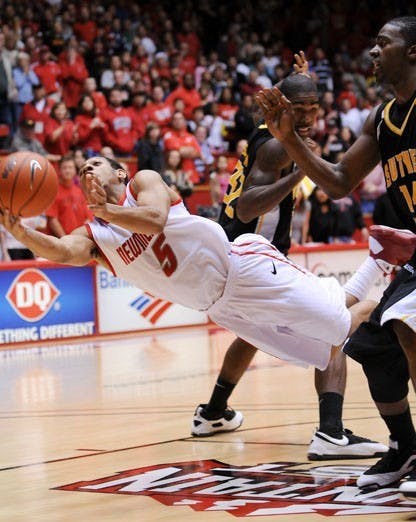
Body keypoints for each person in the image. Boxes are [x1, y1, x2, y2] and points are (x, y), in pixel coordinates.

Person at [2, 156, 412, 407]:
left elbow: (155, 220)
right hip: (221, 308)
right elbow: (60, 250)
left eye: (96, 163)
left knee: (340, 324)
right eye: (83, 168)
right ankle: (378, 257)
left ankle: (379, 274)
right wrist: (21, 232)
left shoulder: (142, 182)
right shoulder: (96, 238)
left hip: (243, 267)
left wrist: (108, 211)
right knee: (324, 349)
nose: (88, 169)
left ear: (119, 171)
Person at [255, 16, 416, 494]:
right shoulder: (382, 119)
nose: (372, 51)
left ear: (412, 52)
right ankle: (405, 447)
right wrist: (287, 139)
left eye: (383, 43)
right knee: (367, 342)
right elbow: (340, 182)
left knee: (407, 321)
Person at [192, 72, 386, 462]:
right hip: (250, 259)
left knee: (251, 335)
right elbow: (247, 206)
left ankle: (212, 413)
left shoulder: (276, 137)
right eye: (300, 108)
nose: (309, 116)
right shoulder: (275, 149)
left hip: (234, 263)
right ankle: (331, 432)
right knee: (335, 321)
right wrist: (301, 170)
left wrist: (303, 76)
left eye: (314, 106)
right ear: (280, 106)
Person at [45, 155, 92, 237]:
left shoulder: (78, 190)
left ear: (74, 170)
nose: (67, 171)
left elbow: (88, 216)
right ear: (59, 171)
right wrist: (66, 240)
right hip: (61, 241)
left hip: (79, 239)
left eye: (70, 168)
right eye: (64, 168)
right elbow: (52, 220)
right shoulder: (53, 192)